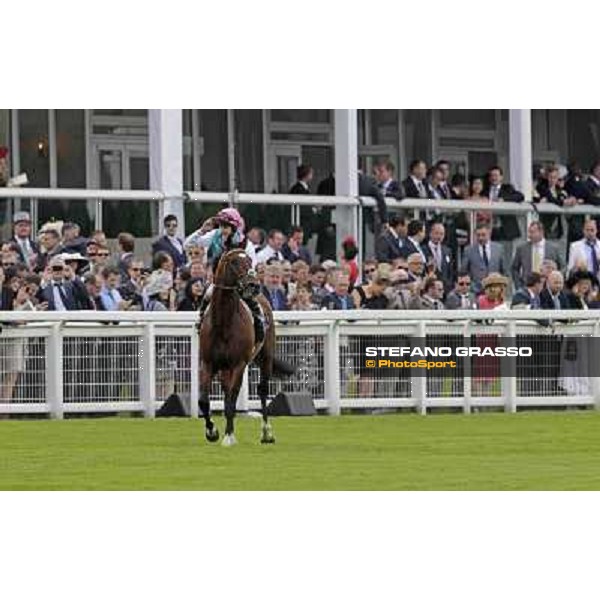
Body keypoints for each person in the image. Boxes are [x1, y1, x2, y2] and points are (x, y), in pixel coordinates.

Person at [185, 207, 264, 342]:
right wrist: (202, 230)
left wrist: (247, 280)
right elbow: (188, 244)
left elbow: (253, 265)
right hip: (220, 282)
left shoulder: (246, 244)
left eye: (226, 226)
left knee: (253, 301)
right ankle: (201, 322)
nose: (223, 229)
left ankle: (260, 323)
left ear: (234, 227)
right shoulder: (215, 235)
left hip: (241, 282)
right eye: (221, 225)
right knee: (208, 295)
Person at [511, 221, 563, 289]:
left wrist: (555, 280)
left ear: (541, 232)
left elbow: (563, 267)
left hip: (547, 287)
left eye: (532, 232)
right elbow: (514, 268)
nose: (529, 235)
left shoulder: (553, 249)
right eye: (529, 232)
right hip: (527, 287)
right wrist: (518, 286)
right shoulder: (522, 249)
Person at [483, 166, 525, 241]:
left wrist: (504, 199)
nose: (494, 178)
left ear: (501, 177)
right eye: (492, 175)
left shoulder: (507, 188)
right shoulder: (485, 191)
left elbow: (520, 196)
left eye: (496, 175)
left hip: (506, 228)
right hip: (491, 228)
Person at [462, 224, 506, 293]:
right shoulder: (468, 250)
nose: (480, 238)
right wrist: (471, 286)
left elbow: (504, 271)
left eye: (483, 235)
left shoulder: (499, 249)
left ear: (489, 234)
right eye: (478, 235)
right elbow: (464, 271)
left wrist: (501, 286)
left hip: (495, 291)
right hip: (476, 291)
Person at [422, 221, 454, 292]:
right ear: (430, 234)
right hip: (430, 288)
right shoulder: (423, 250)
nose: (439, 236)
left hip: (445, 288)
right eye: (436, 233)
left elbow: (450, 271)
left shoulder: (447, 250)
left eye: (441, 234)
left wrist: (449, 284)